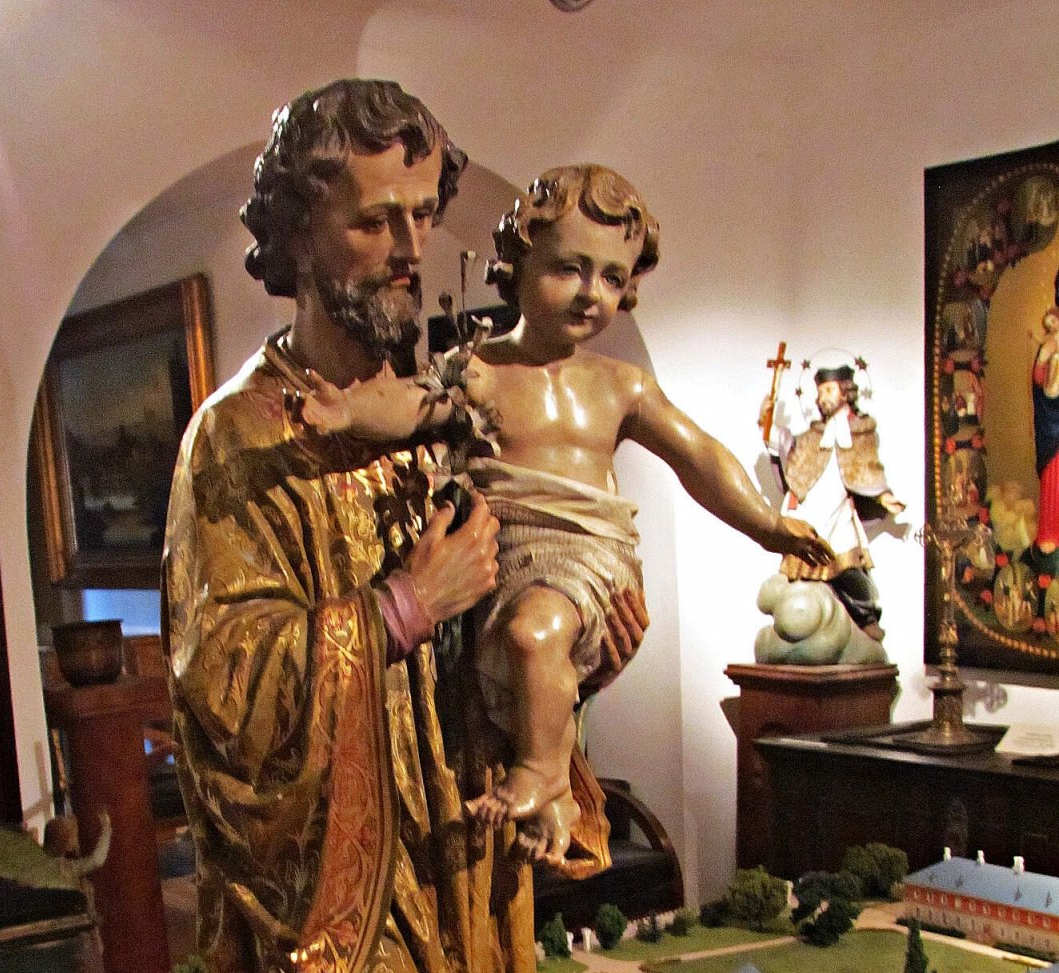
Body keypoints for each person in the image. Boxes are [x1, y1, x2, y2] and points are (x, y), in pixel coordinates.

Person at [161, 81, 645, 973]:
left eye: (422, 217)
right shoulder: (237, 444)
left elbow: (514, 619)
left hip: (453, 827)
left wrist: (577, 656)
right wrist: (395, 610)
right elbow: (219, 687)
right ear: (297, 232)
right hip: (332, 857)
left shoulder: (442, 416)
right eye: (373, 220)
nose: (407, 247)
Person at [302, 165, 830, 863]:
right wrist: (349, 410)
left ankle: (544, 772)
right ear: (518, 266)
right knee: (514, 654)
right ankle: (548, 796)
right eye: (570, 268)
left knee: (536, 634)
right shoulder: (478, 371)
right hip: (503, 558)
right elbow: (409, 404)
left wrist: (767, 524)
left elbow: (699, 456)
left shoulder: (620, 386)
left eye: (612, 277)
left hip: (586, 553)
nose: (591, 293)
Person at [760, 363, 905, 642]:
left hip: (838, 511)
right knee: (803, 562)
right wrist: (766, 424)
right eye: (820, 392)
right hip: (810, 507)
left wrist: (883, 495)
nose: (822, 397)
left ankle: (866, 618)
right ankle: (802, 621)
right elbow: (789, 450)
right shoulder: (815, 434)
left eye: (828, 390)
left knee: (847, 565)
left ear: (845, 392)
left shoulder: (861, 430)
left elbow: (867, 468)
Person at [1031, 305, 1059, 556]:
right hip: (1053, 421)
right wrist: (1044, 356)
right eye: (1049, 324)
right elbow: (1039, 380)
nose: (1053, 327)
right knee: (1054, 475)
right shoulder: (1049, 345)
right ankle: (1050, 531)